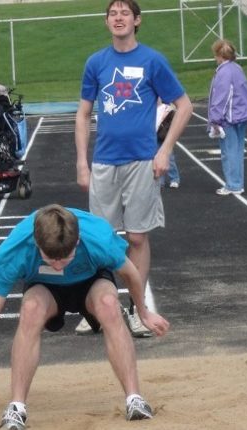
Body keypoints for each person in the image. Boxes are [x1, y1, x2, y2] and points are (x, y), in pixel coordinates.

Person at [0, 205, 170, 430]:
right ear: (37, 244)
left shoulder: (97, 237)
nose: (58, 266)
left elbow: (131, 274)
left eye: (65, 257)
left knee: (109, 305)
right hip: (45, 287)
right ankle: (16, 406)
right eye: (50, 258)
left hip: (90, 281)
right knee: (30, 310)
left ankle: (134, 398)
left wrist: (143, 312)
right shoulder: (18, 247)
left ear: (77, 241)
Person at [75, 0, 192, 338]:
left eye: (125, 13)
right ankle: (98, 309)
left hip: (142, 161)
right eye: (113, 13)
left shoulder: (152, 61)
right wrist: (82, 162)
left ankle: (138, 310)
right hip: (104, 162)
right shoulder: (96, 62)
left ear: (137, 20)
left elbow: (184, 106)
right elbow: (83, 113)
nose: (118, 18)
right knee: (101, 239)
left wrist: (164, 151)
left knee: (137, 237)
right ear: (106, 22)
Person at [207, 39, 247, 196]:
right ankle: (237, 183)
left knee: (229, 152)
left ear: (219, 55)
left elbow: (221, 97)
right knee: (237, 150)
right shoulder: (237, 68)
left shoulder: (223, 72)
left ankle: (233, 184)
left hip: (229, 117)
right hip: (241, 115)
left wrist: (215, 120)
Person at [156, 101, 180, 189]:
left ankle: (174, 179)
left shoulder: (168, 109)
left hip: (164, 136)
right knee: (157, 158)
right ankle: (160, 181)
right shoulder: (151, 109)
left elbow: (173, 122)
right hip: (155, 135)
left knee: (170, 158)